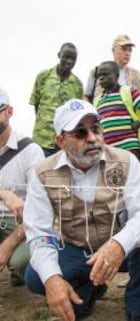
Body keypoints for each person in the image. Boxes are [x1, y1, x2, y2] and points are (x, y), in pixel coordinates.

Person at [23, 98, 140, 321]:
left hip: (122, 246)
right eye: (80, 133)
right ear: (61, 141)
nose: (92, 138)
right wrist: (52, 279)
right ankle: (87, 290)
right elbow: (39, 232)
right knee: (36, 277)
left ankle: (136, 303)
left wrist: (119, 244)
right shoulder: (42, 172)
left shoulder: (126, 161)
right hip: (76, 249)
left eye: (96, 129)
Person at [0, 88, 44, 286]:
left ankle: (18, 269)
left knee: (25, 262)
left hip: (21, 222)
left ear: (9, 111)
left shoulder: (30, 151)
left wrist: (8, 245)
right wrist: (4, 194)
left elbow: (41, 210)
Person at [94, 61, 140, 163]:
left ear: (117, 76)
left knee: (131, 178)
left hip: (129, 148)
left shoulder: (128, 92)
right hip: (109, 151)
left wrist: (139, 122)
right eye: (99, 75)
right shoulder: (97, 100)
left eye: (105, 74)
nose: (101, 78)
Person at [29, 43, 83, 157]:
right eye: (66, 57)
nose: (69, 61)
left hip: (63, 143)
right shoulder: (43, 77)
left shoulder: (77, 85)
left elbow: (75, 115)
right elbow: (37, 105)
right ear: (59, 55)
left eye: (73, 59)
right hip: (41, 140)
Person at [84, 34, 140, 105]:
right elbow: (85, 96)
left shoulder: (136, 75)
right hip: (103, 122)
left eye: (130, 50)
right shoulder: (97, 72)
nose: (127, 53)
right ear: (113, 50)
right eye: (124, 49)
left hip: (128, 123)